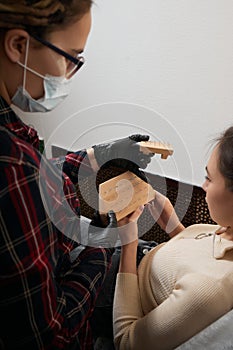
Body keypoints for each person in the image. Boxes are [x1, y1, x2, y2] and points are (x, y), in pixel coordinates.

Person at [0, 1, 155, 349]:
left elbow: (34, 183)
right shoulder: (11, 165)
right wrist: (107, 235)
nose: (70, 72)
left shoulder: (12, 142)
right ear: (18, 45)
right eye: (70, 56)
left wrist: (98, 156)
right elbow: (51, 337)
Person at [113, 126, 233, 350]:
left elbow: (126, 340)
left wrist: (128, 242)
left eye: (209, 177)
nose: (203, 186)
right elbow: (197, 262)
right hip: (137, 258)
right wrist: (174, 226)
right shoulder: (228, 227)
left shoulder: (210, 290)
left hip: (119, 292)